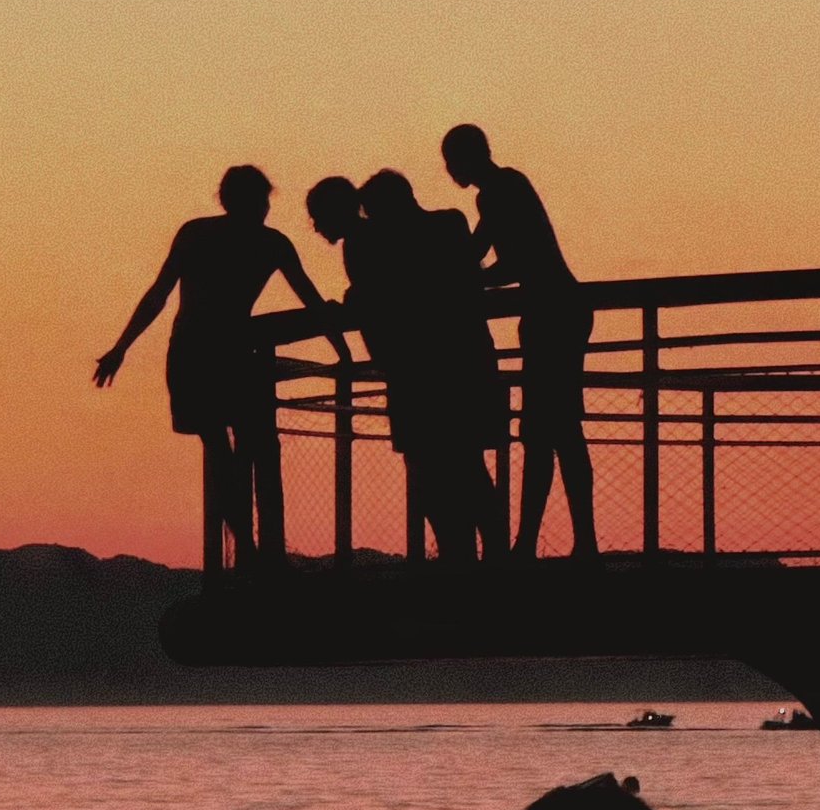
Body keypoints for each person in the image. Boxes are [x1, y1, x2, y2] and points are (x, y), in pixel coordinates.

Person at [95, 166, 344, 566]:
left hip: (199, 352)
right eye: (261, 200)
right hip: (221, 354)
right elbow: (312, 302)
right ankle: (251, 546)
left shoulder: (206, 235)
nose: (264, 208)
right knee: (241, 448)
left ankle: (249, 546)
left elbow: (159, 293)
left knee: (226, 450)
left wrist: (122, 347)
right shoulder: (263, 243)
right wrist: (342, 351)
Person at [442, 124, 598, 559]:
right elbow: (479, 255)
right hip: (556, 312)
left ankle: (546, 542)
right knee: (552, 431)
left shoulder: (496, 191)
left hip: (552, 315)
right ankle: (546, 542)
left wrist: (460, 282)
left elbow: (503, 264)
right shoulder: (503, 186)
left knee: (553, 432)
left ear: (463, 159)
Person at [355, 170, 507, 559]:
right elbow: (467, 280)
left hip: (417, 375)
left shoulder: (384, 245)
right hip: (466, 364)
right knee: (469, 468)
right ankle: (492, 558)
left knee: (429, 475)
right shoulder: (451, 223)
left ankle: (460, 559)